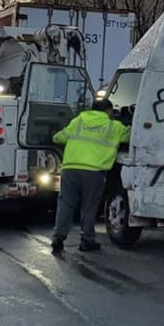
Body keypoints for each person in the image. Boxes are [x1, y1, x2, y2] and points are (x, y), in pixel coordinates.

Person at [50, 98, 131, 254]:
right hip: (94, 172)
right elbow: (131, 135)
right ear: (108, 110)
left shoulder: (78, 121)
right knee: (89, 206)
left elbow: (59, 137)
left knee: (65, 204)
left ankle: (58, 238)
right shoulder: (113, 126)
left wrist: (53, 135)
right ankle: (87, 241)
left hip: (70, 169)